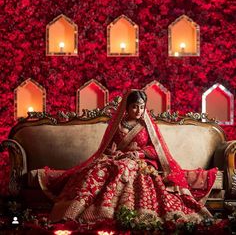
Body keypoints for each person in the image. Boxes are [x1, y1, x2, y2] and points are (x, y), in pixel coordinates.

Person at [38, 90, 218, 228]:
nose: (138, 110)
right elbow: (107, 148)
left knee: (126, 169)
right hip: (117, 158)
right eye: (134, 106)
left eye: (142, 107)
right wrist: (114, 152)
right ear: (127, 107)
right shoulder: (117, 124)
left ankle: (121, 214)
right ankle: (78, 212)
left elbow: (157, 151)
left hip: (141, 161)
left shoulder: (147, 126)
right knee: (98, 169)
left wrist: (139, 154)